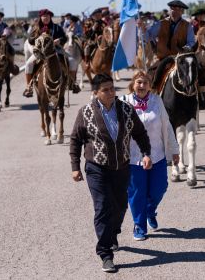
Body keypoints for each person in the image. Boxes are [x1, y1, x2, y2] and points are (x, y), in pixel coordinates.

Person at [70, 74, 152, 273]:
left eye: (112, 88)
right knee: (103, 207)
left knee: (120, 205)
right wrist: (75, 166)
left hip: (122, 167)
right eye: (105, 90)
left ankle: (113, 233)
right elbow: (75, 140)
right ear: (96, 93)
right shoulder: (86, 112)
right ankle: (105, 253)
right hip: (97, 168)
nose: (110, 92)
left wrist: (146, 153)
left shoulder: (125, 109)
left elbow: (140, 133)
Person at [120, 71, 179, 241]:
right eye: (139, 82)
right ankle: (139, 225)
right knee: (137, 192)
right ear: (133, 84)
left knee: (159, 188)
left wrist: (174, 150)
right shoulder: (124, 102)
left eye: (145, 83)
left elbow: (167, 126)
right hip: (133, 157)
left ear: (150, 86)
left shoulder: (157, 101)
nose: (142, 86)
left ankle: (150, 210)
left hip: (157, 155)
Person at [23, 8, 67, 97]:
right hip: (40, 52)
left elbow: (64, 38)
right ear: (41, 17)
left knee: (66, 61)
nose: (45, 18)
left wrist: (59, 40)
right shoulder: (36, 28)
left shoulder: (57, 27)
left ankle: (71, 82)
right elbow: (30, 40)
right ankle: (29, 86)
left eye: (47, 16)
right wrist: (38, 39)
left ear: (50, 17)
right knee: (28, 64)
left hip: (55, 51)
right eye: (43, 16)